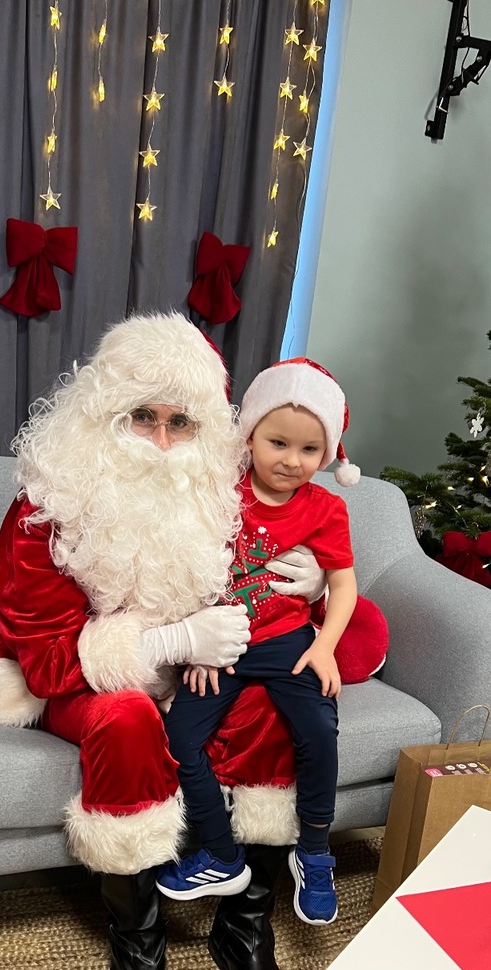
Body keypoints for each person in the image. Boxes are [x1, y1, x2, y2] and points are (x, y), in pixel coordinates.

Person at [0, 313, 326, 970]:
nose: (162, 441)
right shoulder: (45, 507)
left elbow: (280, 581)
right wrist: (168, 644)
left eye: (181, 422)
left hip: (206, 679)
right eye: (142, 417)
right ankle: (138, 946)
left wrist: (314, 581)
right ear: (102, 414)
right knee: (127, 717)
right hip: (88, 681)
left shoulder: (223, 495)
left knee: (276, 701)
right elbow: (48, 663)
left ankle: (245, 930)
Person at [158, 359, 359, 926]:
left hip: (288, 642)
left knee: (318, 728)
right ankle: (221, 853)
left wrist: (325, 646)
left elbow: (344, 585)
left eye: (309, 450)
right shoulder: (219, 491)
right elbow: (183, 568)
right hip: (222, 643)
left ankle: (314, 850)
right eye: (278, 443)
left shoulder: (326, 509)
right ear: (249, 436)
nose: (292, 461)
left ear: (328, 454)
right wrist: (198, 642)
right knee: (179, 737)